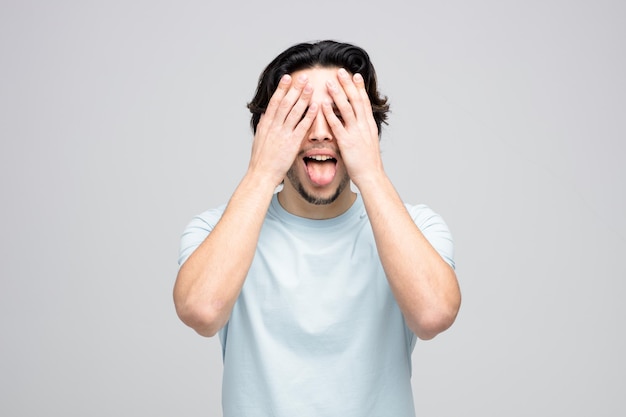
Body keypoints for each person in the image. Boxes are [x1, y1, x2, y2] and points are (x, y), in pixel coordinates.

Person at [174, 40, 461, 417]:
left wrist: (371, 173)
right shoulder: (217, 230)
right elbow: (201, 311)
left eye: (342, 115)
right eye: (300, 115)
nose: (322, 132)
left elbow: (433, 315)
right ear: (268, 130)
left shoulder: (418, 227)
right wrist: (262, 172)